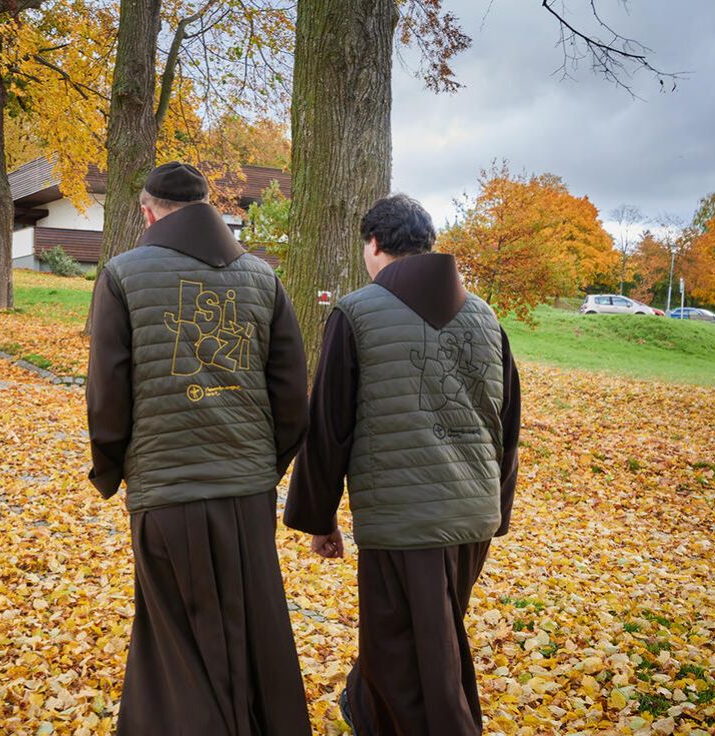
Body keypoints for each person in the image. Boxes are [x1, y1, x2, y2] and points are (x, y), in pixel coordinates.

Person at [85, 162, 311, 734]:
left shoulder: (122, 274)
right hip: (246, 490)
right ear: (211, 207)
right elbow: (291, 395)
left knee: (177, 641)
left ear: (147, 211)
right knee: (253, 624)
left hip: (167, 490)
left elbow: (107, 391)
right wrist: (266, 465)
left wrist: (113, 468)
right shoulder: (263, 278)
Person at [283, 194, 522, 736]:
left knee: (407, 661)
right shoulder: (486, 318)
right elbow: (508, 426)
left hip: (405, 522)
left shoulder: (357, 311)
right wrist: (497, 509)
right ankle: (362, 710)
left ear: (374, 244)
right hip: (471, 518)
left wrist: (319, 519)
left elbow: (328, 426)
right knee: (418, 646)